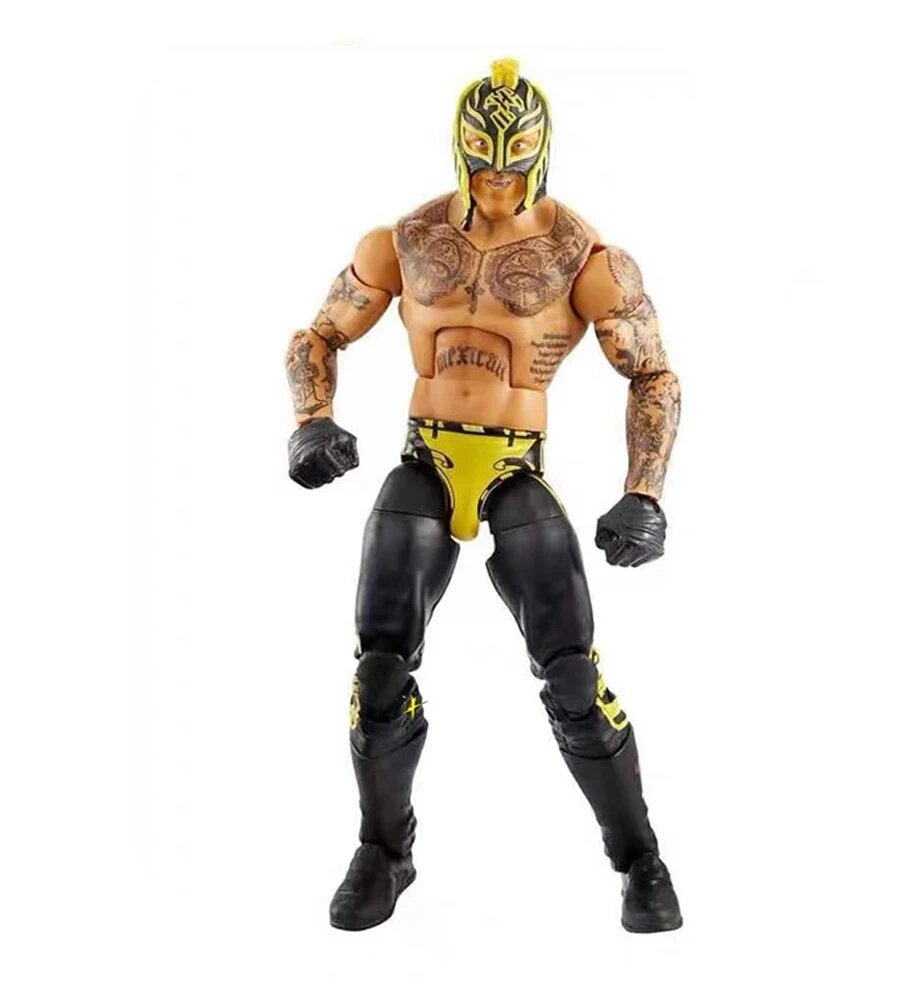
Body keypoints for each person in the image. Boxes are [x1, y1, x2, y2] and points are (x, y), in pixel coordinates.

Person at [285, 58, 682, 933]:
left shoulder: (584, 256)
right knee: (378, 673)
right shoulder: (405, 240)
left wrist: (644, 493)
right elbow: (317, 336)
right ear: (459, 151)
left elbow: (653, 375)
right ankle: (384, 852)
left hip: (514, 467)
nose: (497, 179)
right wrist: (312, 420)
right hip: (422, 458)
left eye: (514, 162)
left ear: (541, 153)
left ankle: (641, 860)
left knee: (574, 677)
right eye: (482, 161)